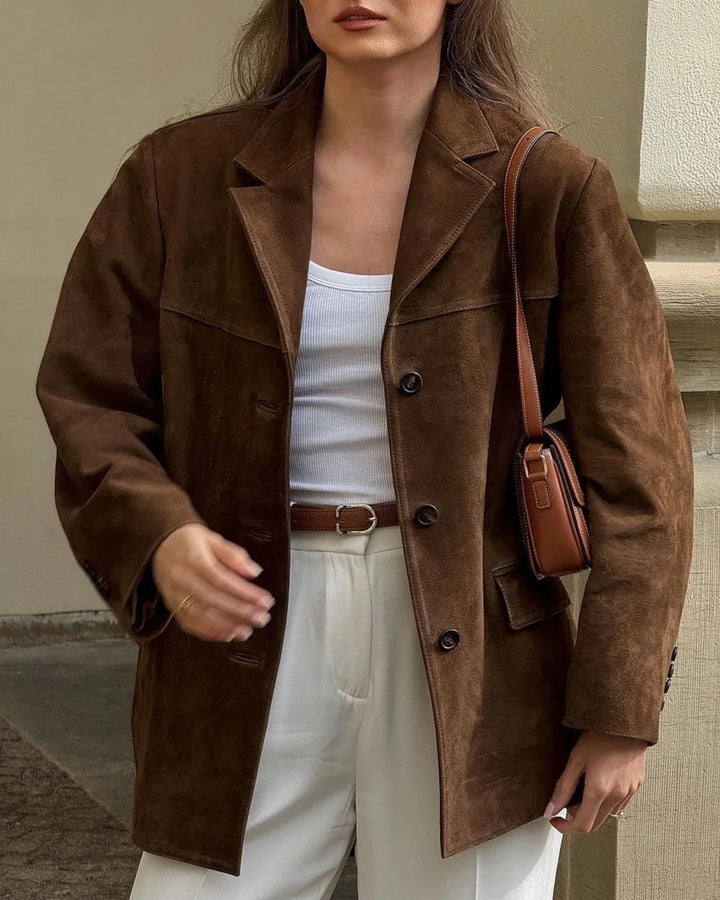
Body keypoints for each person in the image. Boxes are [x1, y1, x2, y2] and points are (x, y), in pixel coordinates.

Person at [35, 1, 694, 898]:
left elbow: (643, 474)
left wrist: (621, 713)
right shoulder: (179, 176)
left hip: (475, 649)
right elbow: (89, 395)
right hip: (252, 619)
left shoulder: (546, 187)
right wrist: (157, 533)